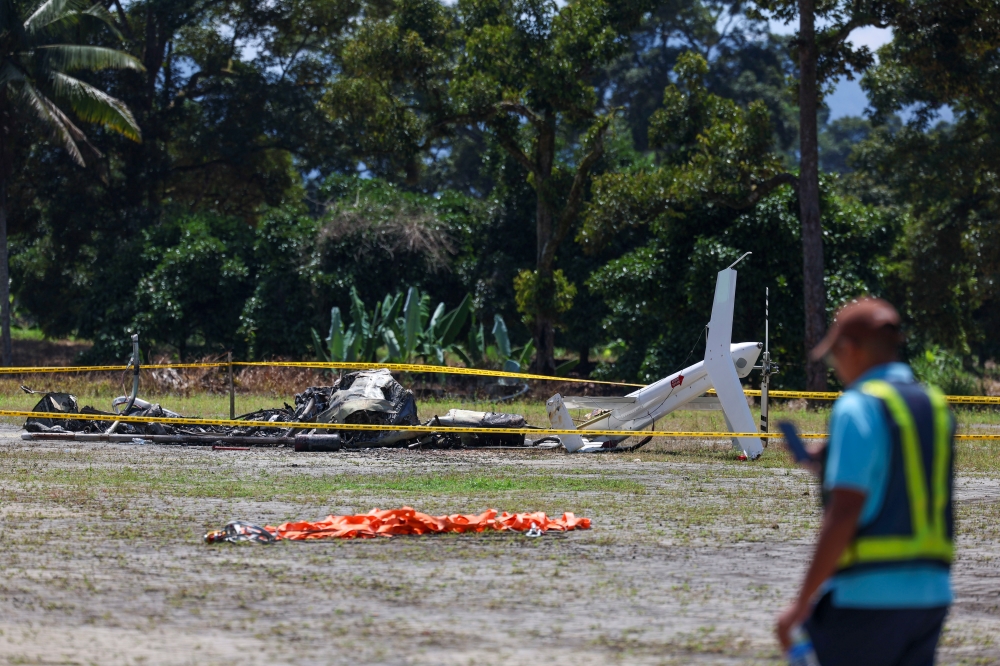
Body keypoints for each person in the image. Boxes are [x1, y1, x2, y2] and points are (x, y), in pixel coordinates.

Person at [775, 297, 955, 666]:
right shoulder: (935, 405)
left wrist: (802, 602)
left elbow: (845, 512)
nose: (835, 366)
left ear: (850, 349)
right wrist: (830, 458)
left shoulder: (857, 406)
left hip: (868, 600)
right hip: (932, 597)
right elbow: (902, 470)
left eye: (833, 356)